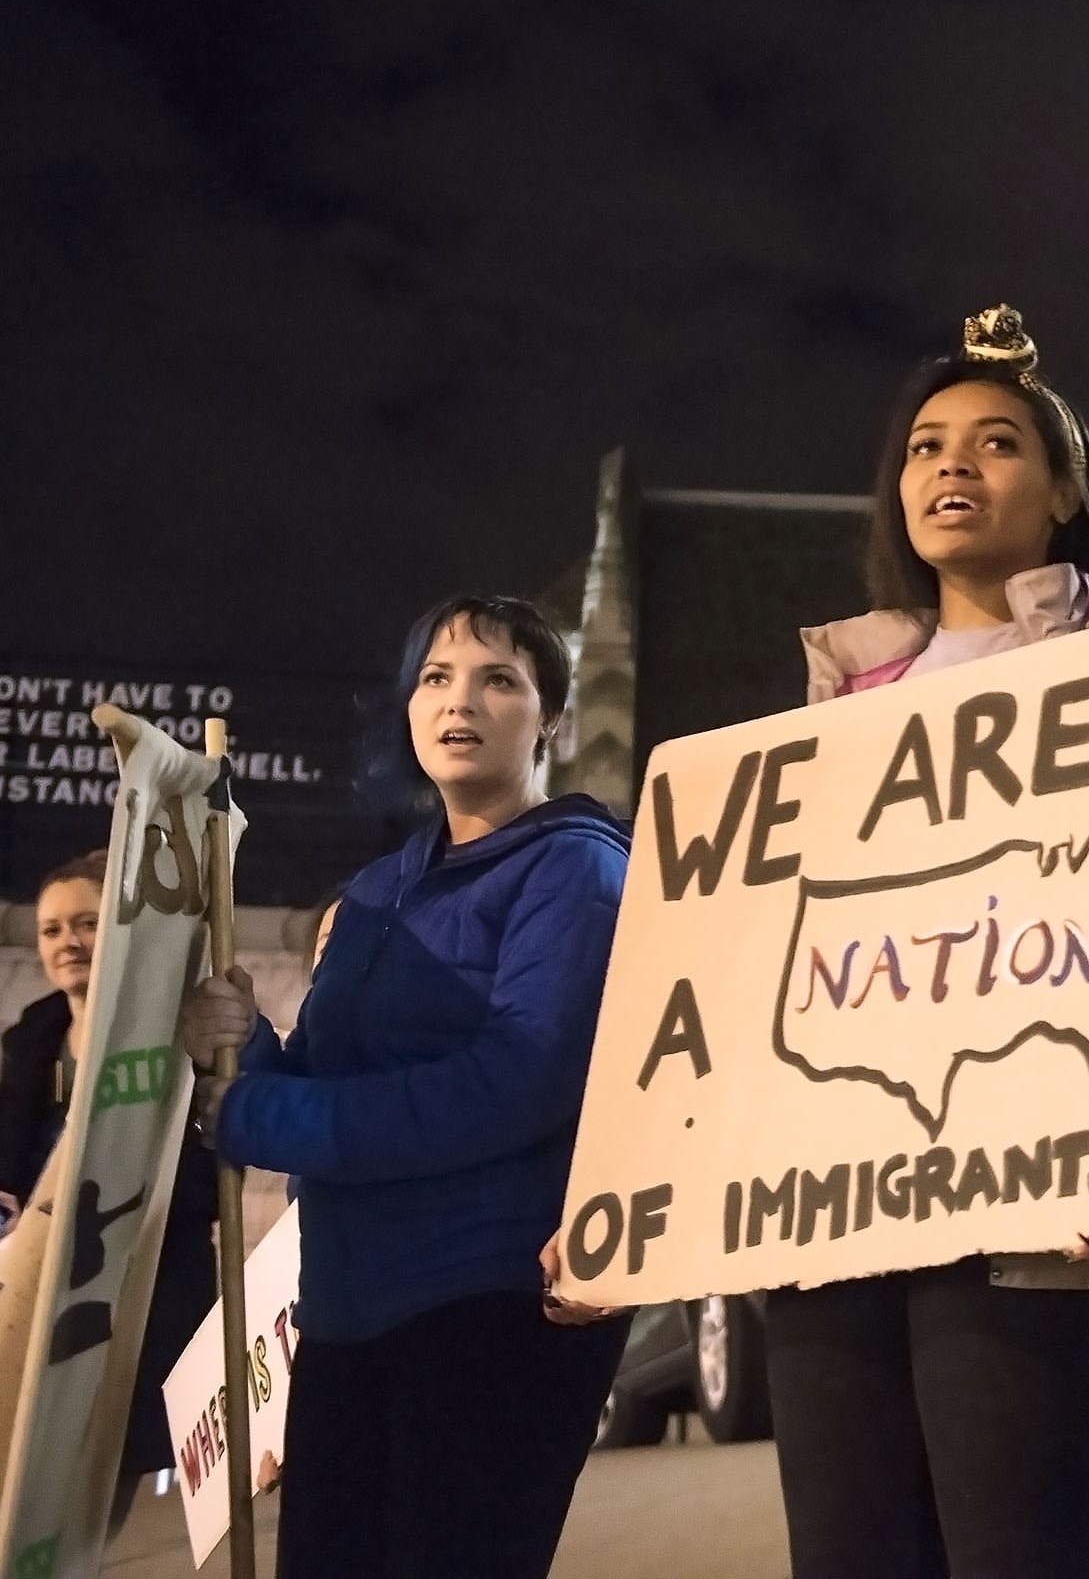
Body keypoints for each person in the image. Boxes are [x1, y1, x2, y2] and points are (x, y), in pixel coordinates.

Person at [774, 306, 1089, 1579]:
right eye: (925, 446)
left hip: (1042, 1213)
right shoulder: (839, 702)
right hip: (833, 1213)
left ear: (1062, 494)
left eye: (994, 443)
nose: (951, 465)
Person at [175, 596, 630, 1579]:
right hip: (345, 1312)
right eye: (436, 678)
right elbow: (324, 1070)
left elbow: (510, 1085)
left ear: (550, 719)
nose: (459, 701)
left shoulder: (579, 870)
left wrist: (256, 1112)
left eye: (498, 680)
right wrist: (244, 1045)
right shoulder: (380, 886)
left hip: (489, 1311)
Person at [0, 849, 219, 1527]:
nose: (68, 941)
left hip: (146, 1287)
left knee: (108, 1484)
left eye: (87, 923)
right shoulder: (30, 1038)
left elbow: (206, 1175)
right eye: (52, 929)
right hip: (40, 1291)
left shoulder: (176, 1032)